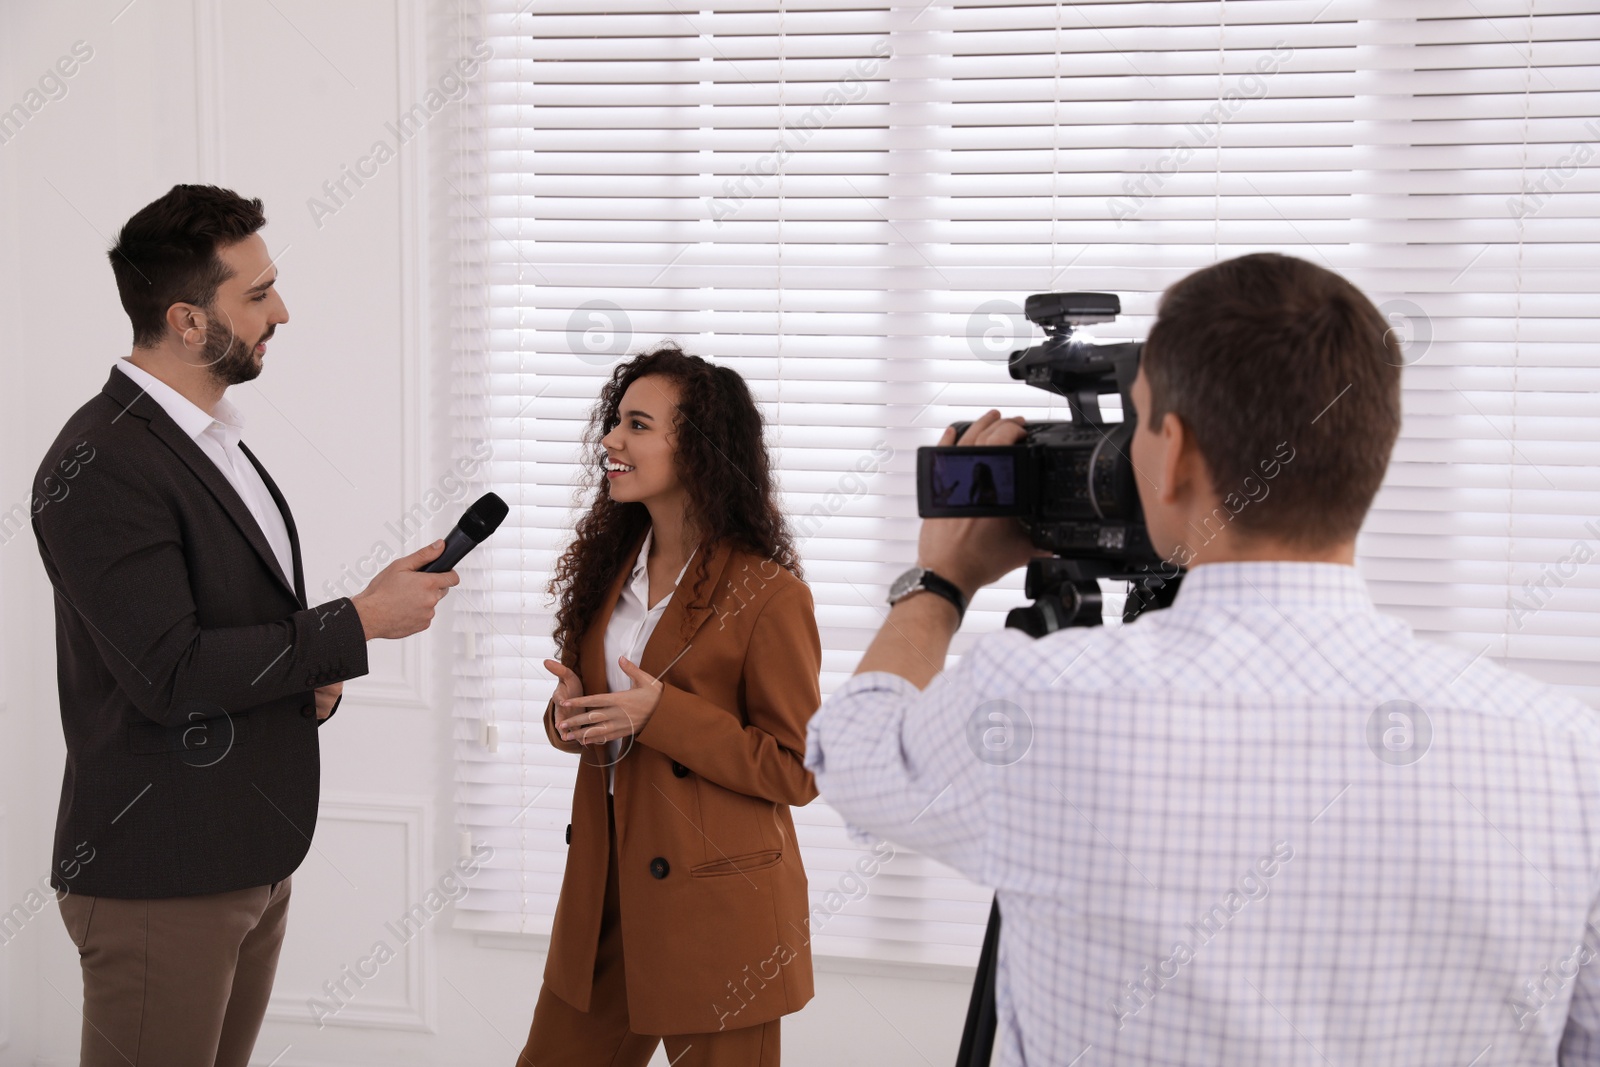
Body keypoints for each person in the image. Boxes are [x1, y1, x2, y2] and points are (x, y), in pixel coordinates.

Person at [805, 253, 1600, 1064]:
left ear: (1174, 452)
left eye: (1135, 422)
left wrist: (938, 581)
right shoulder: (1571, 758)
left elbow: (852, 752)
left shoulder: (1041, 706)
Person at [31, 184, 458, 1067]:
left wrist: (316, 674)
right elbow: (173, 674)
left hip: (245, 858)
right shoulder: (100, 461)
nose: (283, 312)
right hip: (162, 876)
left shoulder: (210, 438)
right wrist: (359, 623)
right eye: (258, 295)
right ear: (188, 320)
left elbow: (225, 629)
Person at [518, 344, 822, 1067]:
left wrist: (660, 715)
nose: (611, 441)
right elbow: (606, 719)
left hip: (719, 915)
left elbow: (796, 770)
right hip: (604, 902)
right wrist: (570, 717)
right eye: (615, 421)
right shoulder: (607, 573)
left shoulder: (769, 593)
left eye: (638, 425)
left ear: (700, 450)